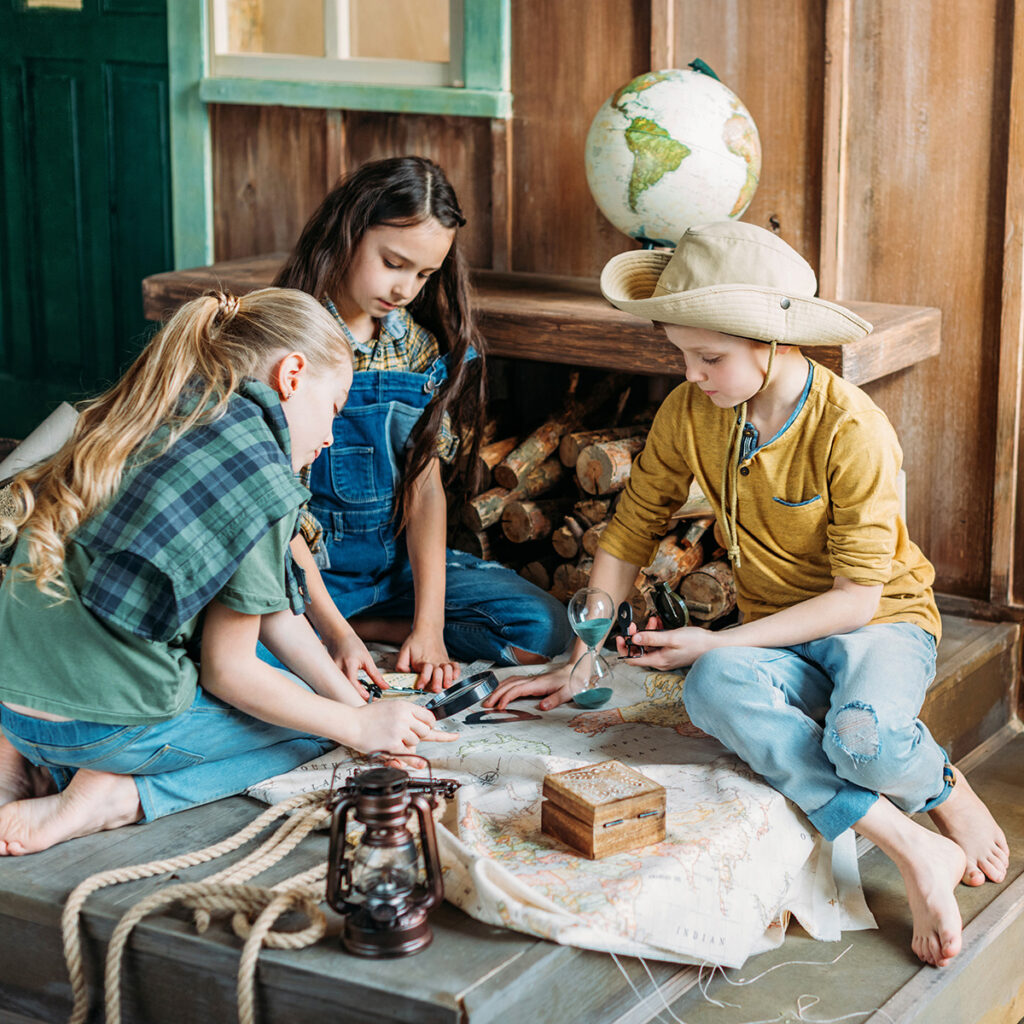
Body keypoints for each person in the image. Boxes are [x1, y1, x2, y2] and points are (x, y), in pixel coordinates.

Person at [486, 221, 1009, 969]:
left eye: (710, 358)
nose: (692, 375)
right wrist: (582, 658)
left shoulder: (854, 429)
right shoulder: (690, 412)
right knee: (712, 687)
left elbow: (858, 602)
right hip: (777, 635)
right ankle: (912, 847)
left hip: (879, 624)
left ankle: (942, 788)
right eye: (682, 356)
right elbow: (630, 533)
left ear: (774, 343)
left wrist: (718, 637)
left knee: (860, 739)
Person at [0, 287, 453, 856]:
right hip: (97, 730)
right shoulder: (256, 469)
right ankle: (116, 798)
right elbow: (229, 672)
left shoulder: (162, 406)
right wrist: (356, 728)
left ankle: (20, 765)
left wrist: (361, 708)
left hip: (13, 703)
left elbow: (275, 619)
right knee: (315, 730)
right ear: (292, 375)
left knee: (320, 702)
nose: (331, 437)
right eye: (334, 410)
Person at [272, 156, 570, 691]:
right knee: (238, 657)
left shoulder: (415, 345)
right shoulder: (288, 337)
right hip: (301, 576)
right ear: (349, 231)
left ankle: (377, 627)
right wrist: (334, 633)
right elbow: (274, 511)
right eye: (393, 262)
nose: (406, 288)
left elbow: (424, 486)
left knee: (544, 628)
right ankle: (339, 631)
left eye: (424, 274)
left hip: (391, 576)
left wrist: (429, 628)